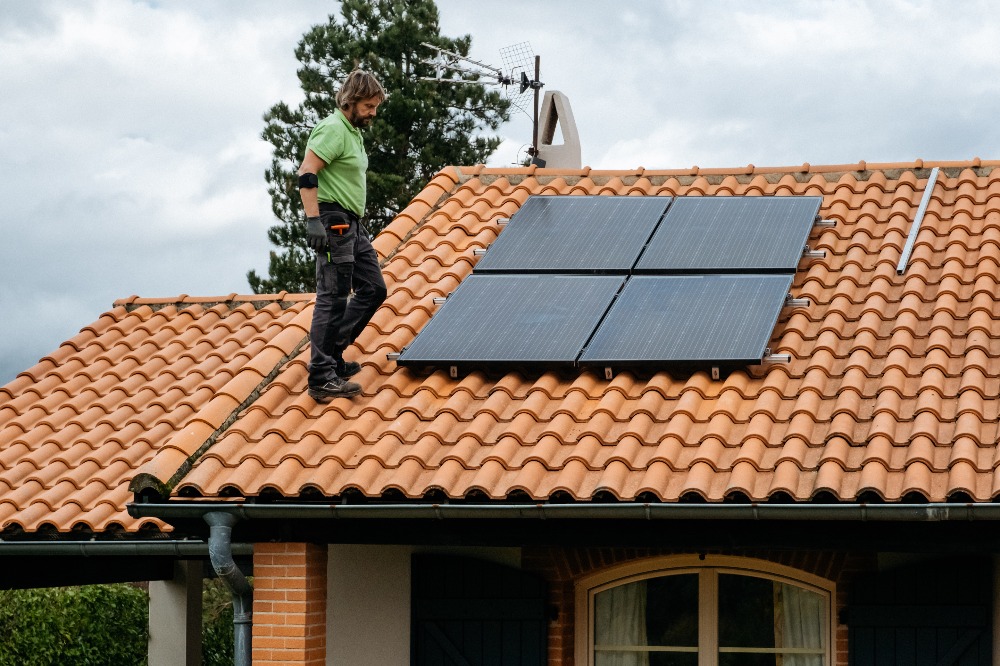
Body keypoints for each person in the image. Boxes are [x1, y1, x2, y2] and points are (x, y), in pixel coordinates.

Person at [298, 69, 388, 402]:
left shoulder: (352, 132)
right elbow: (307, 173)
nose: (372, 113)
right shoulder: (333, 129)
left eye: (375, 107)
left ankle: (332, 355)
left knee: (374, 288)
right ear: (350, 101)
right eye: (368, 106)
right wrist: (313, 221)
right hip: (332, 219)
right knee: (333, 295)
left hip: (353, 223)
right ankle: (322, 376)